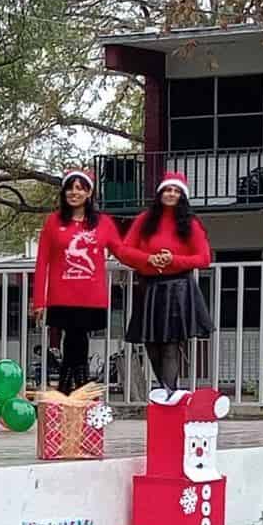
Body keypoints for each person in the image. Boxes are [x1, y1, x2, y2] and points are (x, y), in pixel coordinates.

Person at [114, 170, 214, 404]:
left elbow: (204, 258)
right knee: (151, 343)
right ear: (160, 193)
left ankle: (170, 396)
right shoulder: (144, 219)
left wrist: (174, 260)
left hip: (178, 289)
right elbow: (124, 251)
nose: (171, 194)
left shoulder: (190, 223)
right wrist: (148, 259)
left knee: (170, 344)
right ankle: (166, 392)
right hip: (149, 288)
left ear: (182, 196)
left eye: (176, 191)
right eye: (168, 189)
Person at [31, 167, 121, 393]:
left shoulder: (103, 222)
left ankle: (69, 390)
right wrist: (39, 301)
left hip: (91, 296)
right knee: (71, 340)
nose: (74, 193)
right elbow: (42, 262)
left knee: (78, 340)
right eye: (70, 188)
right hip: (62, 294)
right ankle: (78, 388)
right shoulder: (53, 222)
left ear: (89, 193)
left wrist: (150, 259)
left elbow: (122, 250)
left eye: (80, 188)